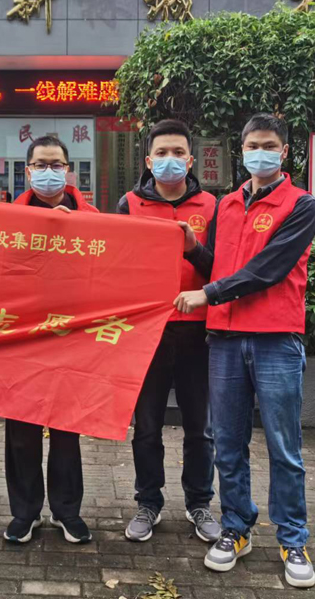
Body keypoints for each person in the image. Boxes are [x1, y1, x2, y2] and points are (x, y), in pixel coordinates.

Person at [175, 113, 315, 589]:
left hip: (276, 338)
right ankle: (236, 528)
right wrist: (193, 248)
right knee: (228, 443)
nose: (261, 153)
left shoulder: (300, 205)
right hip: (225, 340)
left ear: (284, 152)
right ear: (242, 151)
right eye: (253, 145)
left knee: (283, 446)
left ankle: (293, 538)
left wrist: (209, 294)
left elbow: (268, 269)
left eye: (269, 145)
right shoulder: (228, 204)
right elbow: (218, 266)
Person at [117, 119, 219, 544]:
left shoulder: (213, 206)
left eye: (178, 153)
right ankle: (148, 503)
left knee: (200, 428)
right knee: (147, 426)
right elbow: (115, 266)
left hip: (199, 334)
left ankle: (200, 503)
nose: (170, 160)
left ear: (191, 160)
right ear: (148, 161)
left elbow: (221, 273)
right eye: (161, 153)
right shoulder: (129, 205)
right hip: (148, 335)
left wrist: (193, 248)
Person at [5, 135, 98, 545]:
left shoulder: (92, 219)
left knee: (66, 430)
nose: (48, 171)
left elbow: (104, 274)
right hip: (21, 339)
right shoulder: (8, 219)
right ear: (28, 171)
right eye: (40, 164)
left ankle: (67, 511)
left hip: (70, 337)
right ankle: (24, 513)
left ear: (68, 170)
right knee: (21, 430)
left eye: (56, 164)